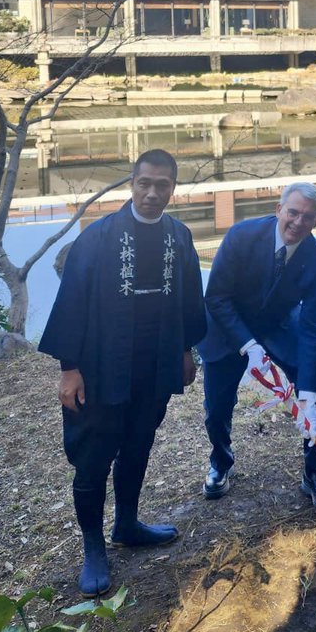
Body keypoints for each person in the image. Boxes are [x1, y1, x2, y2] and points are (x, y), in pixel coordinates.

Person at [39, 149, 205, 595]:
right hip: (101, 364)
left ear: (173, 187)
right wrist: (69, 369)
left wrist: (187, 351)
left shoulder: (180, 236)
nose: (152, 194)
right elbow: (71, 302)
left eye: (162, 185)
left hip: (153, 363)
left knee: (138, 444)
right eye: (144, 184)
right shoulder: (98, 237)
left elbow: (191, 298)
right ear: (131, 183)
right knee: (94, 457)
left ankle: (127, 523)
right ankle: (94, 546)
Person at [199, 181, 316, 513]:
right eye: (292, 212)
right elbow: (216, 297)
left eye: (307, 217)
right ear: (279, 209)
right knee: (217, 404)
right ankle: (221, 460)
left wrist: (305, 396)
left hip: (276, 324)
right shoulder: (242, 236)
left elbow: (312, 327)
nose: (297, 222)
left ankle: (314, 471)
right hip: (226, 325)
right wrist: (248, 346)